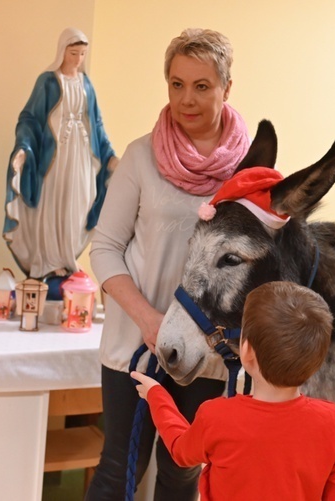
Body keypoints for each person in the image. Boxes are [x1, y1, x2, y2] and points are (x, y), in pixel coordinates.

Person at [86, 28, 250, 500]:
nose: (187, 99)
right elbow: (105, 248)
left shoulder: (248, 170)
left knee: (182, 471)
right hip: (136, 342)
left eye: (202, 86)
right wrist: (149, 320)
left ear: (226, 88)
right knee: (121, 468)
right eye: (177, 84)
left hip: (208, 351)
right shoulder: (140, 157)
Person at [131, 281, 335, 500]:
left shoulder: (216, 416)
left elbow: (180, 450)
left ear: (246, 351)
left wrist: (157, 396)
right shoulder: (333, 421)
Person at [4, 27, 117, 280]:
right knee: (54, 203)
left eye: (83, 54)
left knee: (77, 205)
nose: (78, 59)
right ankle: (50, 260)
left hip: (82, 155)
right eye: (73, 52)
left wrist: (109, 156)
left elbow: (97, 123)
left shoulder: (87, 84)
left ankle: (68, 259)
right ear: (62, 51)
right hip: (54, 157)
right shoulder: (48, 81)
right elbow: (30, 118)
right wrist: (23, 148)